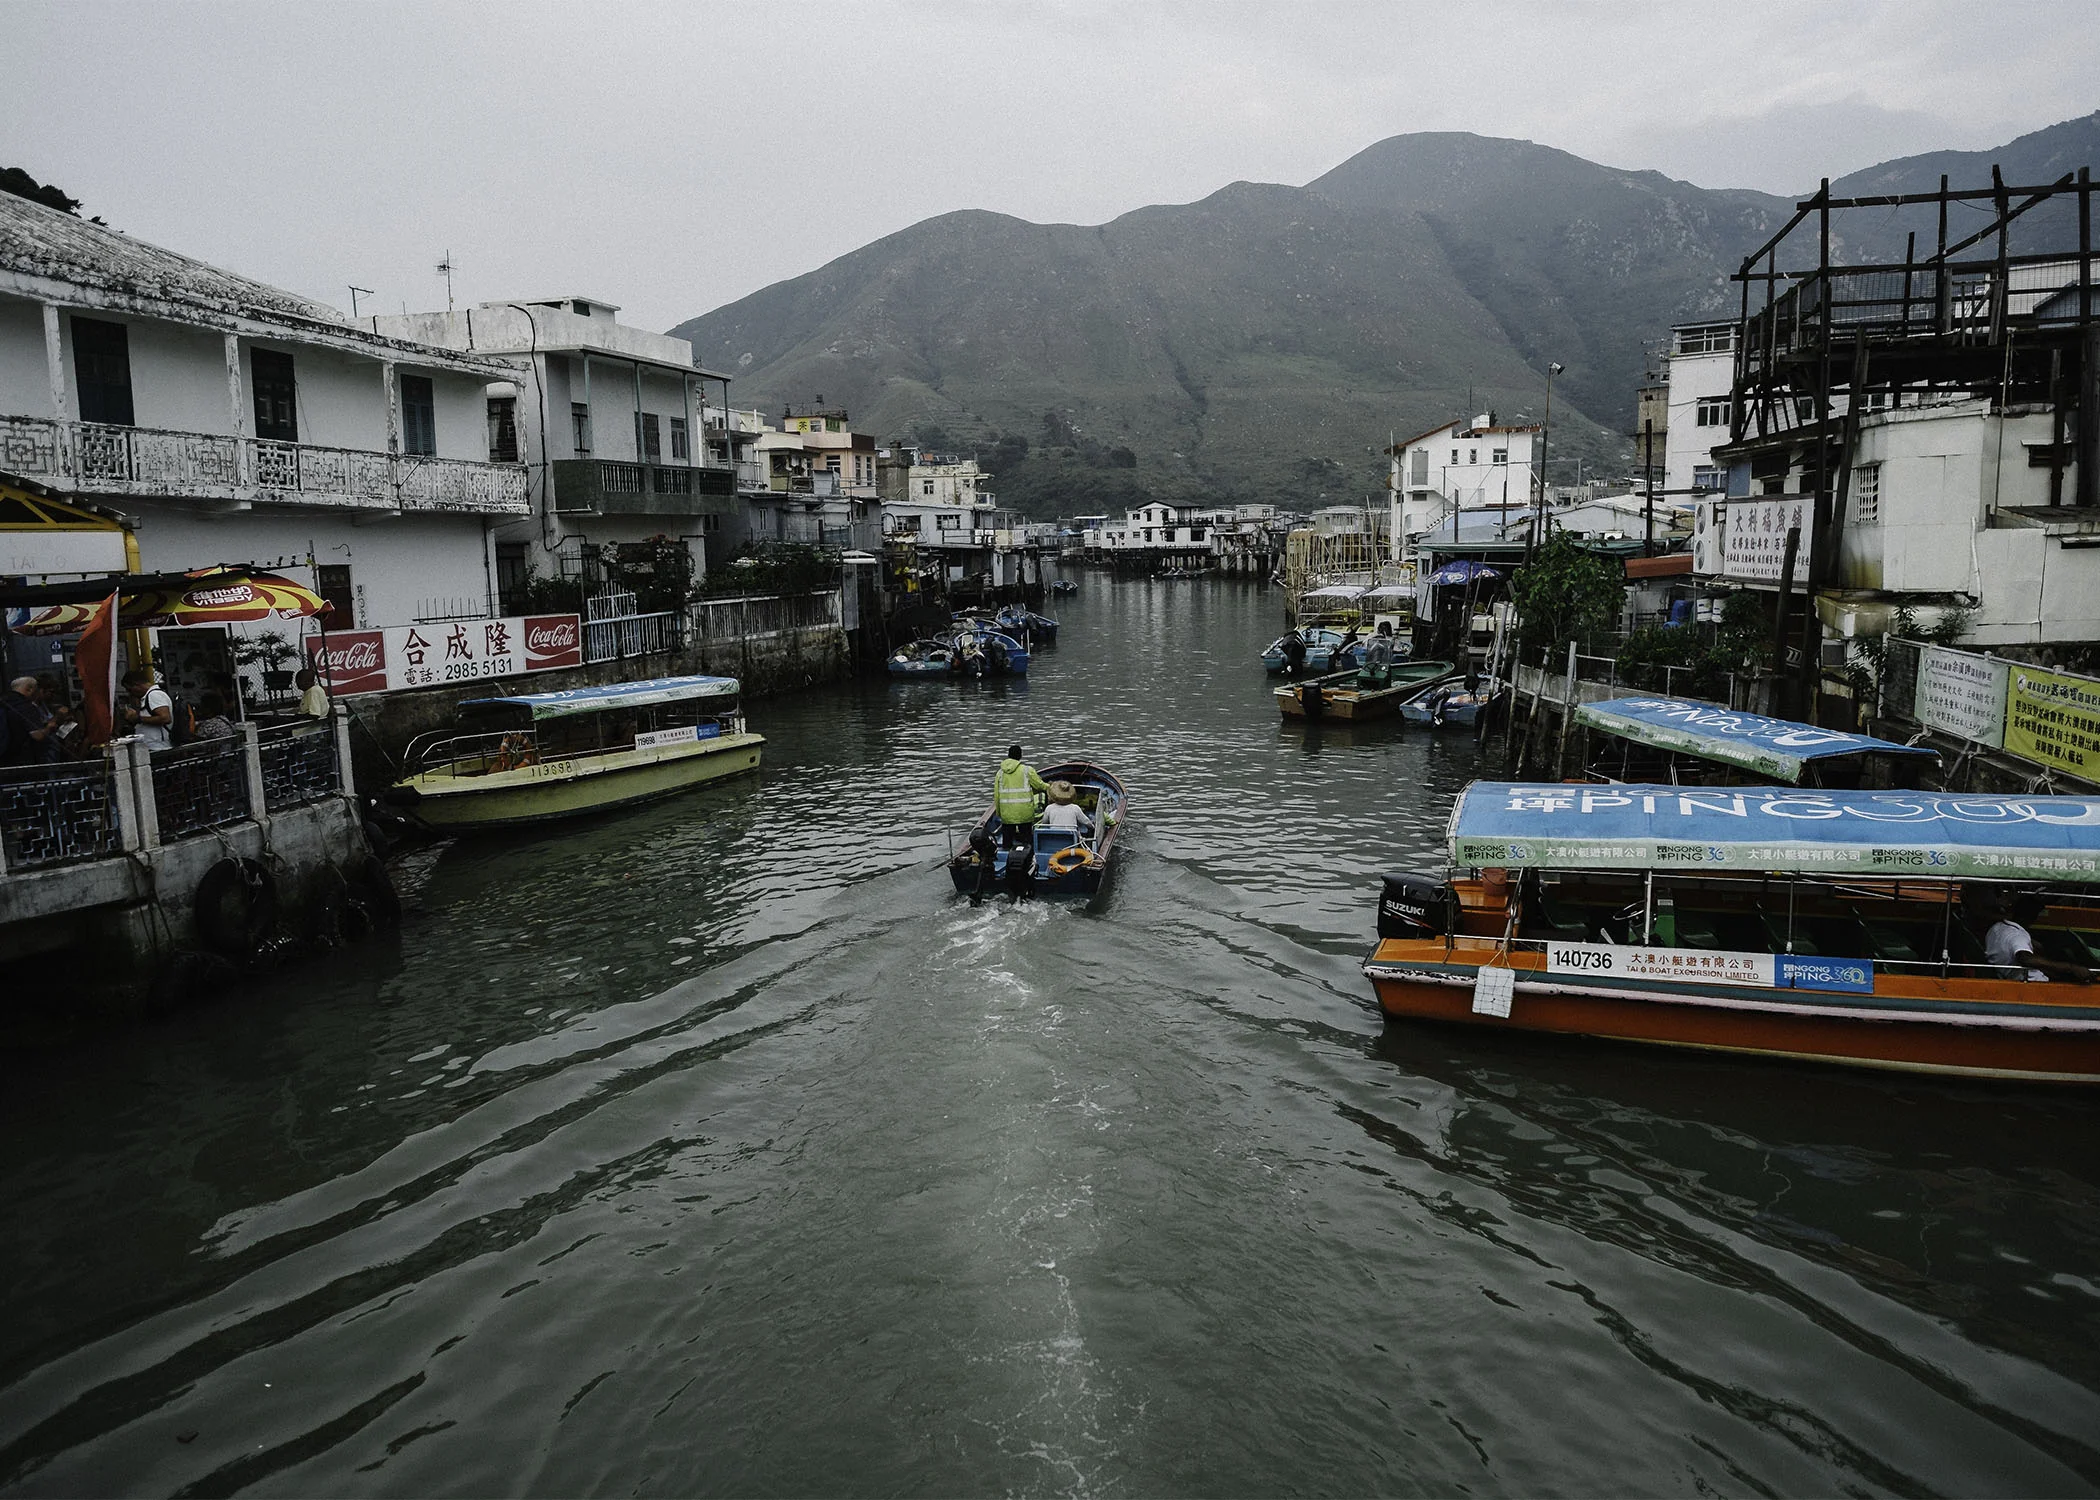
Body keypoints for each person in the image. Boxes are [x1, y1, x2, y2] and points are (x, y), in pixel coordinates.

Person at [1984, 893, 2092, 983]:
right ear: (2032, 917)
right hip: (2033, 983)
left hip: (2004, 974)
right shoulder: (2017, 936)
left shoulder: (1996, 927)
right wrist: (2070, 967)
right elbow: (2025, 958)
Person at [0, 676, 57, 765]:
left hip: (3, 756)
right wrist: (49, 727)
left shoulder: (3, 702)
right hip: (22, 758)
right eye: (36, 690)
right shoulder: (26, 706)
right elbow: (37, 735)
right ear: (30, 689)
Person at [120, 669, 174, 752]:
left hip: (158, 747)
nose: (130, 693)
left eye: (130, 689)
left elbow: (165, 718)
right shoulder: (148, 696)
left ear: (137, 685)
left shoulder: (154, 695)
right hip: (152, 746)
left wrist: (138, 719)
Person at [1360, 621, 1395, 687]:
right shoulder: (1372, 636)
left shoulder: (1390, 639)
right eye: (1382, 628)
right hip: (1371, 660)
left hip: (1384, 661)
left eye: (1385, 629)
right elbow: (1365, 645)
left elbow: (1390, 649)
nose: (1383, 630)